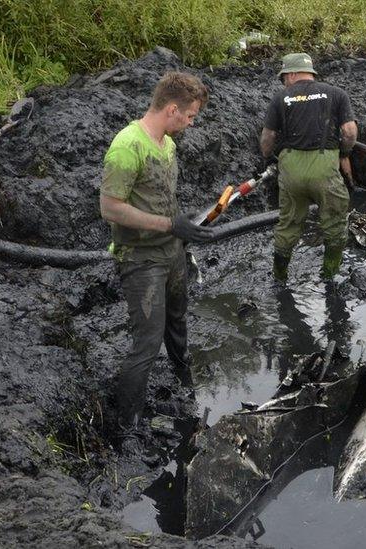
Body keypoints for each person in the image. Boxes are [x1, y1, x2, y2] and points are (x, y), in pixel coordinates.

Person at [99, 71, 214, 452]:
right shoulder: (126, 147)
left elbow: (161, 196)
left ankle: (185, 386)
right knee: (146, 343)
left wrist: (182, 229)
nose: (192, 122)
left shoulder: (166, 144)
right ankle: (125, 427)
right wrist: (169, 224)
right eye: (191, 116)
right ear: (171, 109)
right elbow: (111, 208)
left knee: (177, 323)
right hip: (142, 259)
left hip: (172, 252)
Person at [260, 52, 358, 281]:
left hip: (291, 170)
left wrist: (269, 158)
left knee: (288, 224)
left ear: (292, 73)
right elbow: (350, 132)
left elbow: (267, 138)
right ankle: (329, 274)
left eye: (284, 76)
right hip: (324, 169)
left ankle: (280, 276)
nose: (284, 81)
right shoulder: (337, 94)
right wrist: (344, 152)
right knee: (334, 224)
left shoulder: (280, 98)